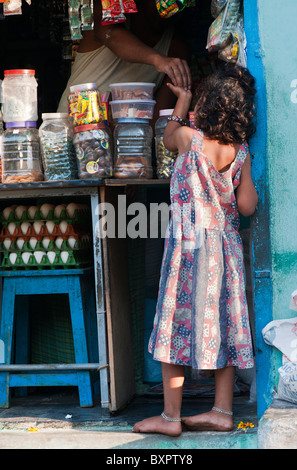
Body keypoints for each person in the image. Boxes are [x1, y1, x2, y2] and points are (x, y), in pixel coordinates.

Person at [132, 63, 258, 437]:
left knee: (176, 325)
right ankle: (221, 410)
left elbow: (168, 136)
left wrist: (181, 100)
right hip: (225, 250)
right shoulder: (241, 152)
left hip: (188, 248)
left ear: (205, 106)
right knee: (226, 324)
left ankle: (171, 417)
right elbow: (248, 206)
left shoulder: (189, 138)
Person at [57, 0, 192, 121]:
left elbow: (159, 117)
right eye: (163, 3)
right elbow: (112, 36)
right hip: (73, 126)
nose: (170, 11)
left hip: (124, 139)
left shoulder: (176, 51)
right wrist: (158, 60)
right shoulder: (108, 20)